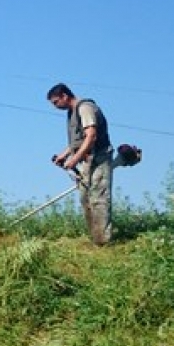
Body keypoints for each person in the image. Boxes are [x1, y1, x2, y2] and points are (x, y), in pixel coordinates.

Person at [47, 83, 114, 245]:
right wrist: (63, 156)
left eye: (56, 102)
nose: (55, 107)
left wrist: (74, 160)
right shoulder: (72, 113)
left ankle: (103, 241)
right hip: (86, 161)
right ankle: (95, 237)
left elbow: (91, 136)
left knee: (99, 198)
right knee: (86, 199)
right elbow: (77, 142)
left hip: (100, 158)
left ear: (65, 96)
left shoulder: (85, 108)